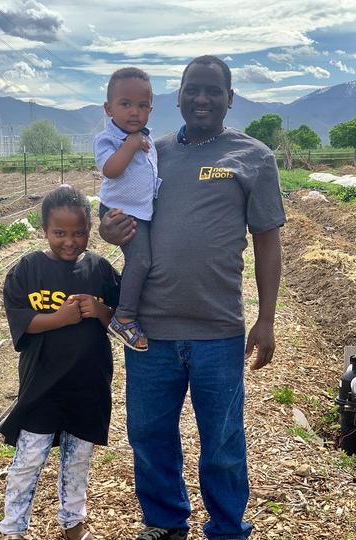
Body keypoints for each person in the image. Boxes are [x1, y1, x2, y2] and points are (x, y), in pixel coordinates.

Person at [99, 55, 286, 540]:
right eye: (192, 89)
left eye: (213, 90)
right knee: (148, 434)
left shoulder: (253, 157)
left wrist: (265, 319)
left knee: (222, 443)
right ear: (177, 96)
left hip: (218, 329)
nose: (202, 99)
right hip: (150, 330)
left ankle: (226, 529)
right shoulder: (149, 152)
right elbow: (118, 211)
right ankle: (164, 521)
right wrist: (107, 229)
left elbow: (268, 240)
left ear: (230, 98)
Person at [0, 185, 121, 540]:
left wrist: (101, 311)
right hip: (43, 386)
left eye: (79, 232)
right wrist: (60, 319)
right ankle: (14, 527)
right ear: (44, 231)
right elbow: (21, 321)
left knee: (78, 461)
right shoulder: (28, 270)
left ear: (89, 230)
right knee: (29, 459)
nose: (70, 241)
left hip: (88, 384)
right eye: (60, 233)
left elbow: (124, 318)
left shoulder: (100, 269)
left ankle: (73, 523)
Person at [94, 67, 161, 352]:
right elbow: (111, 169)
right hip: (120, 211)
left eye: (142, 105)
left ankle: (130, 310)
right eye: (126, 104)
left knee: (145, 260)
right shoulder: (108, 139)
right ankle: (123, 315)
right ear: (109, 109)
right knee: (141, 261)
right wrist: (131, 145)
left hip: (140, 211)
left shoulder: (148, 139)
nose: (135, 112)